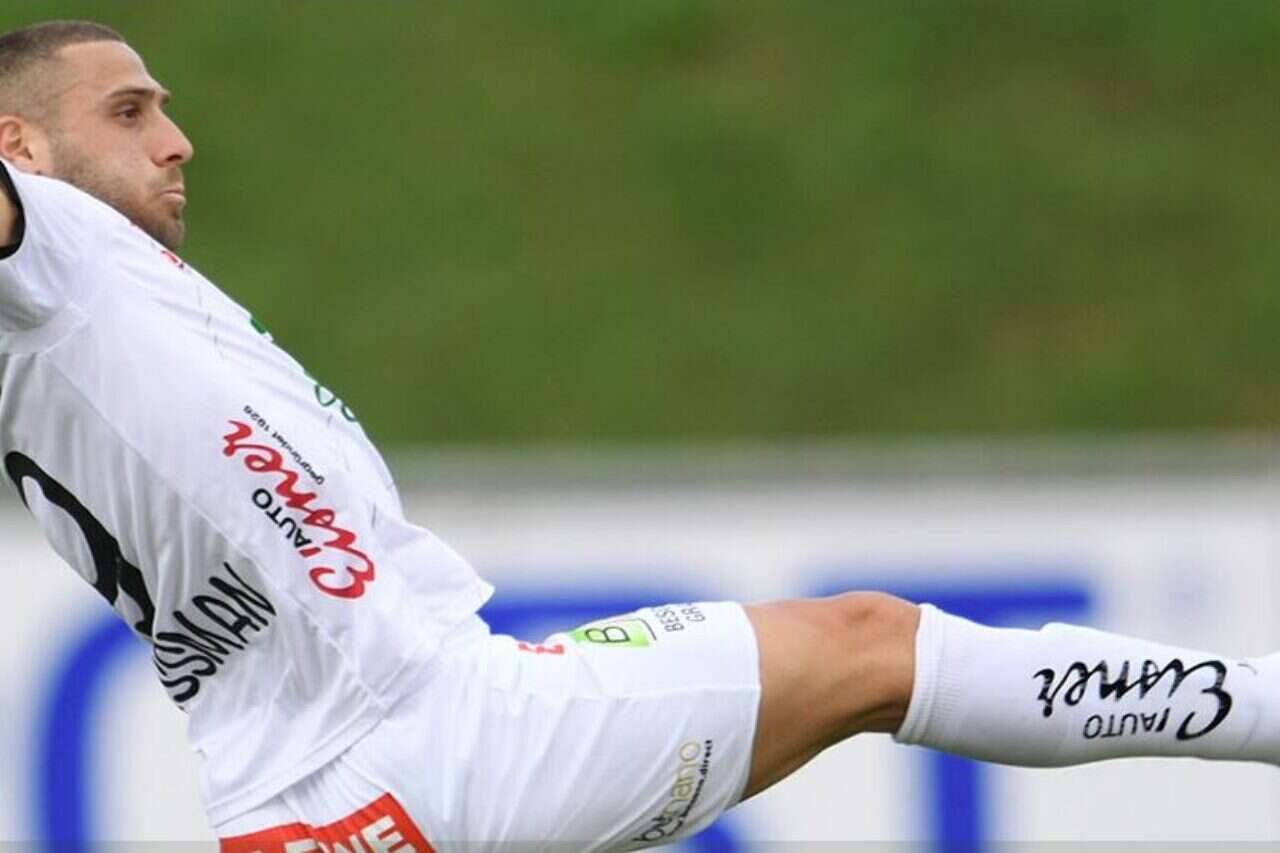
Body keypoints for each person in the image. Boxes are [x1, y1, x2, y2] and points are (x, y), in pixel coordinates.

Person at [1, 20, 1276, 851]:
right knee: (871, 646)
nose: (176, 138)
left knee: (867, 649)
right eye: (129, 110)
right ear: (19, 147)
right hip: (430, 732)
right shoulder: (49, 251)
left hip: (304, 803)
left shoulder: (87, 309)